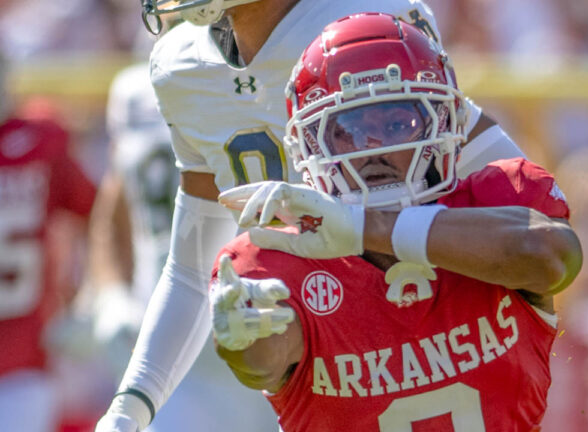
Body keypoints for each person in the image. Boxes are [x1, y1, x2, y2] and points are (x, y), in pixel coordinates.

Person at [96, 0, 529, 430]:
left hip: (401, 330)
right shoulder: (181, 65)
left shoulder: (368, 17)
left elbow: (520, 199)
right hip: (282, 343)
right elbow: (191, 268)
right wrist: (128, 409)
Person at [210, 13, 582, 431]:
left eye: (396, 124)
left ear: (442, 122)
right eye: (347, 129)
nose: (372, 148)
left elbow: (553, 259)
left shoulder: (497, 202)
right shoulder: (278, 256)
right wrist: (243, 340)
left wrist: (360, 227)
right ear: (311, 144)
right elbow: (265, 358)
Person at [88, 61, 278, 431]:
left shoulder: (278, 60)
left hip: (274, 326)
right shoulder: (133, 89)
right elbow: (115, 206)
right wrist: (111, 293)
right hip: (173, 340)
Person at [0, 51, 97, 432]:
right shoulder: (41, 141)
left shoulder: (41, 142)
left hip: (25, 365)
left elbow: (99, 211)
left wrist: (92, 292)